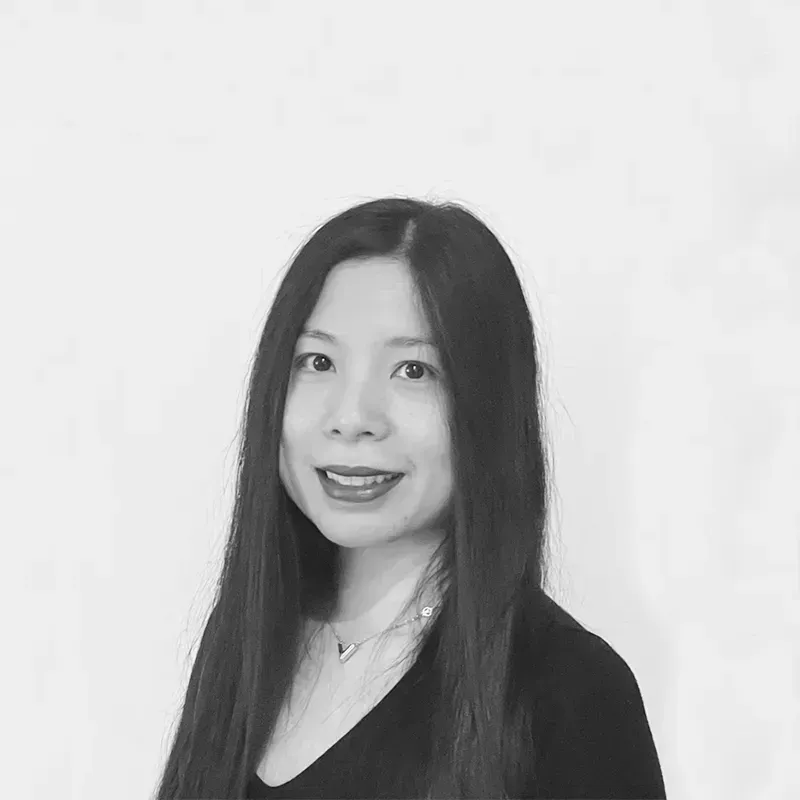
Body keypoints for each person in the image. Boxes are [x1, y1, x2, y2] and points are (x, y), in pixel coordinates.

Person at [153, 196, 667, 799]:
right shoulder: (247, 638)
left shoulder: (569, 692)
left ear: (487, 408)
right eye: (317, 361)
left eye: (413, 371)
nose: (352, 417)